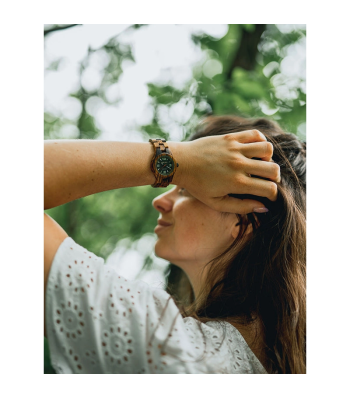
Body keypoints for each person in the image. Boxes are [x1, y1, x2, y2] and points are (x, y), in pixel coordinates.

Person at [44, 115, 305, 374]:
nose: (160, 201)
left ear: (245, 219)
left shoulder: (167, 346)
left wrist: (179, 159)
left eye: (188, 190)